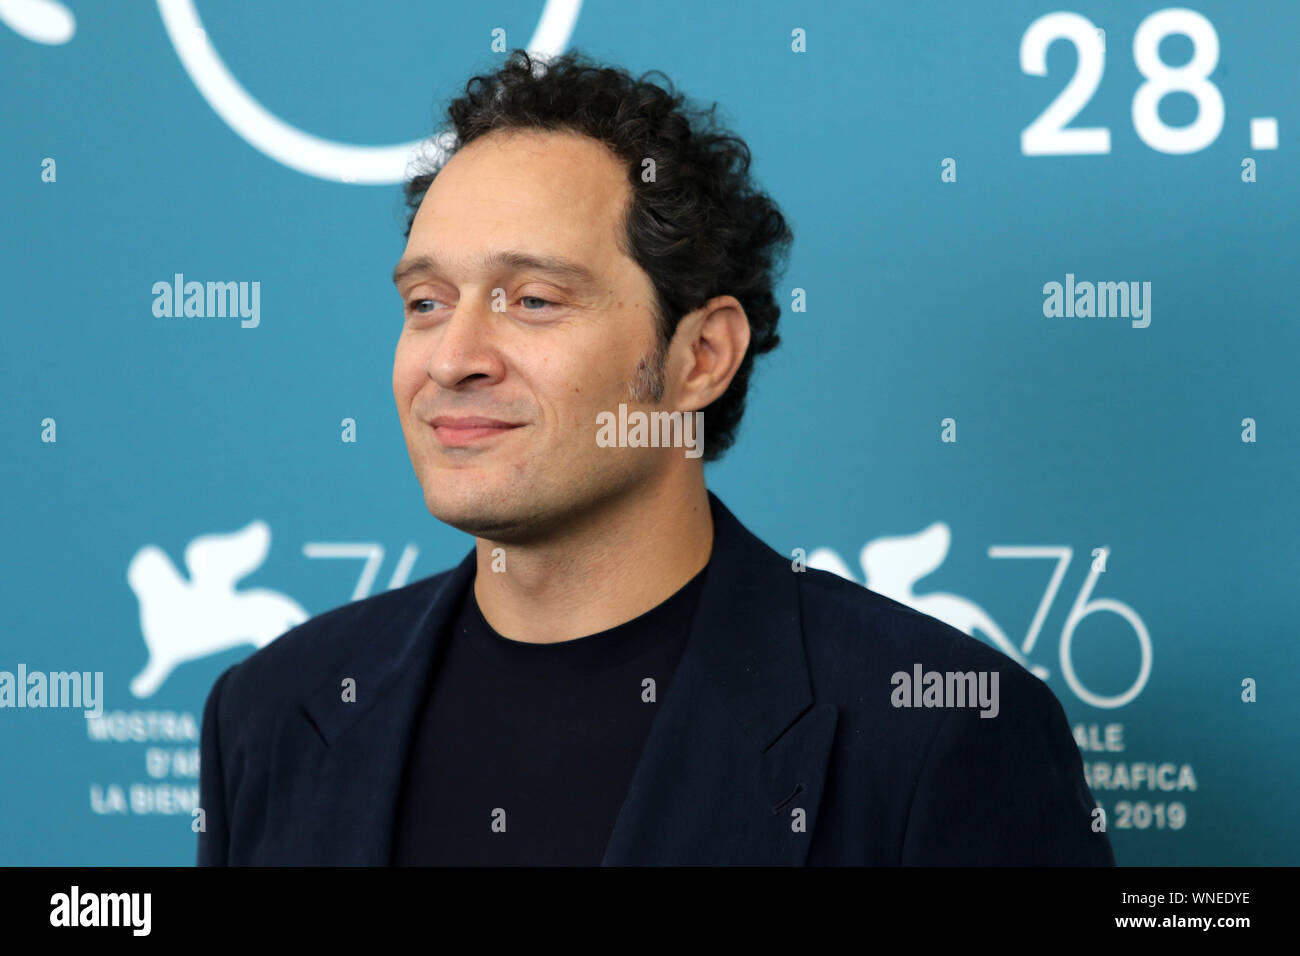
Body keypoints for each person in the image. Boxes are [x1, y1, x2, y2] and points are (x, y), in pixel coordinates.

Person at [197, 49, 1113, 866]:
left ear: (701, 356)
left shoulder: (938, 733)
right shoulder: (272, 713)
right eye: (428, 302)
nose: (452, 356)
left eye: (535, 300)